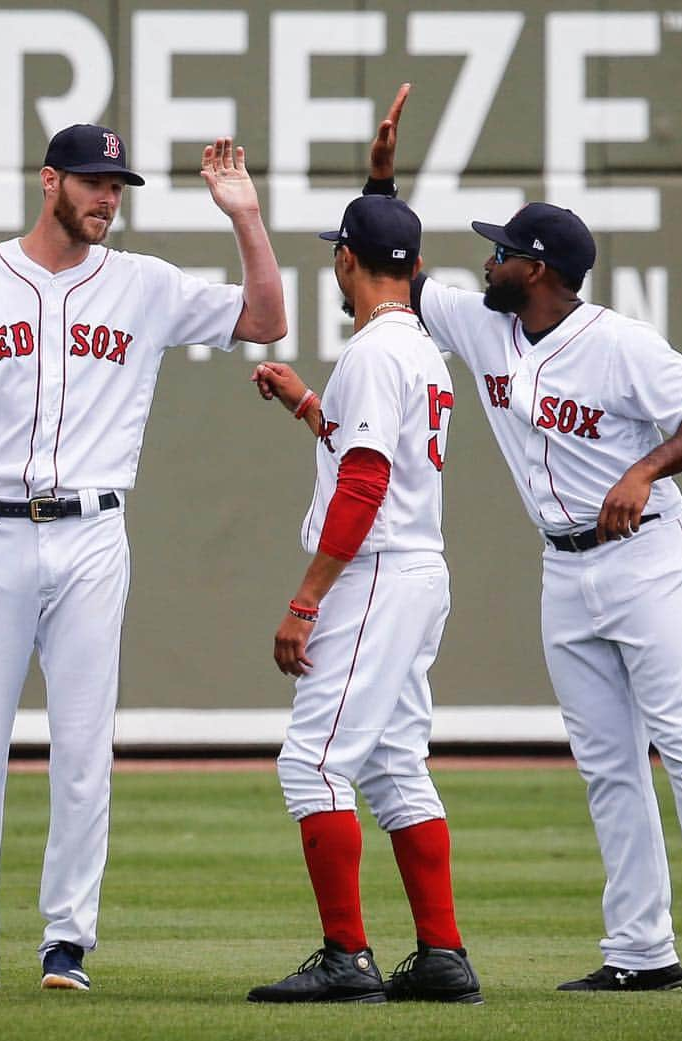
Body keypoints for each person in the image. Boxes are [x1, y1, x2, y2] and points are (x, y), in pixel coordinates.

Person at [0, 123, 286, 992]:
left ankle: (66, 944)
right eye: (92, 181)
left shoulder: (141, 284)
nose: (106, 197)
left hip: (92, 534)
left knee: (82, 749)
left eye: (116, 184)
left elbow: (267, 320)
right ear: (49, 180)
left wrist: (246, 218)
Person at [361, 85, 682, 994]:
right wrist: (381, 177)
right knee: (608, 766)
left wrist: (645, 468)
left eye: (504, 249)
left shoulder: (618, 343)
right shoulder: (487, 325)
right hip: (564, 566)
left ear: (537, 269)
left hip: (650, 555)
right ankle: (641, 952)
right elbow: (398, 271)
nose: (490, 257)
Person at [246, 193, 482, 1005]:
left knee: (312, 765)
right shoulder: (418, 348)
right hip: (419, 568)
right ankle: (442, 955)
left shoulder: (376, 353)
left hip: (376, 569)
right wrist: (312, 405)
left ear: (348, 260)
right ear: (412, 267)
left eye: (334, 254)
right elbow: (375, 452)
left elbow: (367, 481)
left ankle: (347, 957)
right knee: (391, 765)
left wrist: (306, 599)